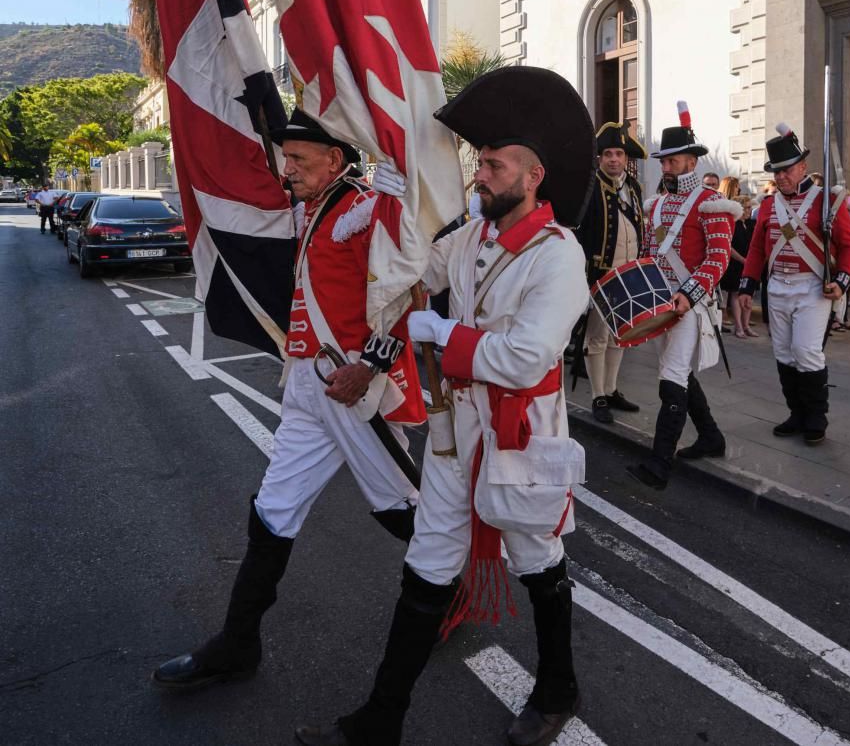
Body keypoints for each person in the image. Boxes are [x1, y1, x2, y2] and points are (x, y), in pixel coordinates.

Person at [295, 67, 593, 746]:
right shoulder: (474, 237)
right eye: (479, 162)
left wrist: (446, 336)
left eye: (493, 164)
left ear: (532, 176)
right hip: (458, 434)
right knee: (427, 563)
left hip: (519, 436)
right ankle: (381, 719)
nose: (479, 175)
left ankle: (556, 689)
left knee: (536, 560)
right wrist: (391, 204)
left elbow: (523, 357)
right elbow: (411, 276)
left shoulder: (558, 257)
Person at [153, 109, 426, 692]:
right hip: (307, 383)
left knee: (400, 508)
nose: (289, 169)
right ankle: (238, 641)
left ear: (337, 159)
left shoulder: (364, 206)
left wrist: (370, 362)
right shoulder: (310, 211)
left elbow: (407, 291)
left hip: (352, 386)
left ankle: (457, 588)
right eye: (287, 158)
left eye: (301, 159)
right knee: (272, 512)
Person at [627, 102, 739, 490]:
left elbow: (718, 259)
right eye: (664, 160)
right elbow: (647, 254)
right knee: (678, 374)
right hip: (661, 302)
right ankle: (711, 437)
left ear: (692, 161)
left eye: (673, 160)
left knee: (671, 377)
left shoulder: (711, 203)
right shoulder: (656, 205)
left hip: (691, 304)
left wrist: (689, 295)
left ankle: (659, 466)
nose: (666, 165)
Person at [737, 124, 850, 443]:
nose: (780, 177)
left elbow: (848, 246)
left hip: (812, 287)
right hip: (777, 287)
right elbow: (758, 249)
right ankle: (797, 413)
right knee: (784, 354)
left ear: (802, 167)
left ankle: (816, 417)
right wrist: (748, 287)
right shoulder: (767, 205)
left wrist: (842, 282)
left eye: (786, 170)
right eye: (776, 172)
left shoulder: (826, 201)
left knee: (806, 351)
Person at [577, 121, 645, 424]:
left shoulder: (634, 187)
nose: (614, 159)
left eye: (618, 153)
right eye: (608, 154)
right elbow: (578, 236)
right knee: (598, 339)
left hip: (629, 275)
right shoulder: (590, 187)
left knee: (621, 337)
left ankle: (613, 388)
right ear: (599, 158)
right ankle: (597, 395)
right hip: (601, 276)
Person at [721, 196, 757, 337]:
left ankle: (746, 326)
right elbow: (728, 246)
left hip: (749, 264)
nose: (750, 210)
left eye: (750, 207)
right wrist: (743, 260)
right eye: (747, 207)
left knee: (749, 294)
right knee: (736, 294)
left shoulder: (750, 224)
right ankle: (739, 327)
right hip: (736, 264)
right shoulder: (732, 224)